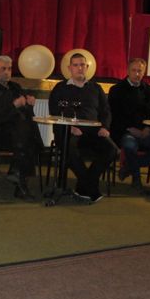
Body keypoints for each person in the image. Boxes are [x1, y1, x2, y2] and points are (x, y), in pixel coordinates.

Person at [48, 52, 117, 203]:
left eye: (82, 65)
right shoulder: (60, 88)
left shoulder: (96, 88)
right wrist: (70, 127)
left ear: (87, 67)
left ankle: (84, 185)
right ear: (69, 68)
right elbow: (54, 112)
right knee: (70, 149)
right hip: (67, 131)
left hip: (92, 132)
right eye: (76, 65)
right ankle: (90, 187)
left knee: (111, 149)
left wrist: (105, 127)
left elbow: (106, 111)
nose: (79, 68)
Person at [0, 55, 43, 200]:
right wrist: (14, 105)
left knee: (25, 135)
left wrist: (29, 104)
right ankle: (17, 177)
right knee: (28, 137)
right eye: (3, 69)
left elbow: (25, 112)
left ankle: (18, 177)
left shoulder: (15, 87)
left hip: (18, 134)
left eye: (9, 69)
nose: (7, 72)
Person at [108, 58, 150, 191]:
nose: (136, 74)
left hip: (146, 132)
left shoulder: (149, 90)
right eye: (134, 70)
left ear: (144, 72)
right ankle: (136, 179)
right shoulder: (117, 89)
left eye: (139, 71)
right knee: (130, 145)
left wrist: (148, 128)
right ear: (128, 71)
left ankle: (129, 166)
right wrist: (130, 129)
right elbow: (113, 115)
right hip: (125, 131)